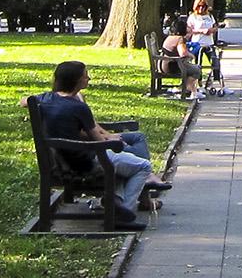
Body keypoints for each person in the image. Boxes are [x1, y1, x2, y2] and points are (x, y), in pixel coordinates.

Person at [30, 61, 171, 230]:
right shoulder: (79, 108)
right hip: (86, 163)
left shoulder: (46, 98)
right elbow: (98, 141)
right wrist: (117, 142)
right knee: (143, 166)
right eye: (85, 75)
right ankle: (123, 213)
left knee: (127, 165)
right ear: (76, 81)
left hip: (60, 161)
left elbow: (25, 101)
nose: (88, 78)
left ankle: (115, 201)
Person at [185, 0, 231, 96]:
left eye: (203, 6)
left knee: (215, 63)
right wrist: (201, 31)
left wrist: (211, 30)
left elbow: (215, 27)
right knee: (198, 65)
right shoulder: (193, 17)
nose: (201, 8)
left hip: (209, 43)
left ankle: (220, 84)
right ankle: (199, 85)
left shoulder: (209, 16)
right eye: (199, 6)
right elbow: (189, 31)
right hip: (198, 44)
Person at [160, 16, 204, 100]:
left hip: (164, 64)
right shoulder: (180, 39)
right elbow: (183, 53)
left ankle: (192, 91)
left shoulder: (170, 37)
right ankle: (186, 89)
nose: (188, 28)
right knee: (197, 70)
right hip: (172, 66)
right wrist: (191, 55)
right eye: (186, 27)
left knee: (194, 67)